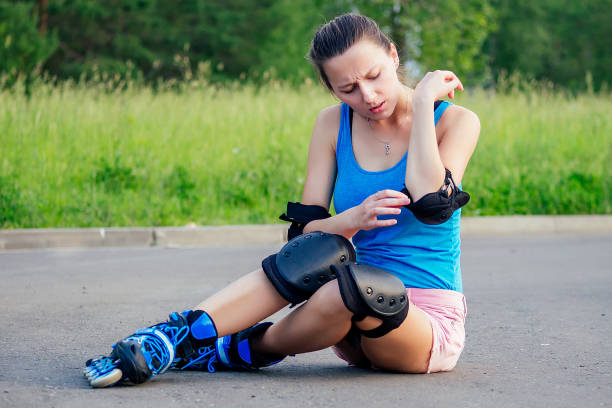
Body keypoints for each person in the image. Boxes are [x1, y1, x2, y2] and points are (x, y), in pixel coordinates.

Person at [84, 13, 480, 388]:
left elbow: (431, 201)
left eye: (375, 76)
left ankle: (239, 350)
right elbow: (303, 236)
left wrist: (425, 102)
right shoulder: (331, 123)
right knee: (326, 250)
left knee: (358, 285)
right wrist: (353, 217)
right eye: (348, 89)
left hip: (420, 325)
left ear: (393, 56)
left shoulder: (455, 121)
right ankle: (175, 336)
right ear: (330, 88)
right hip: (343, 315)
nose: (368, 95)